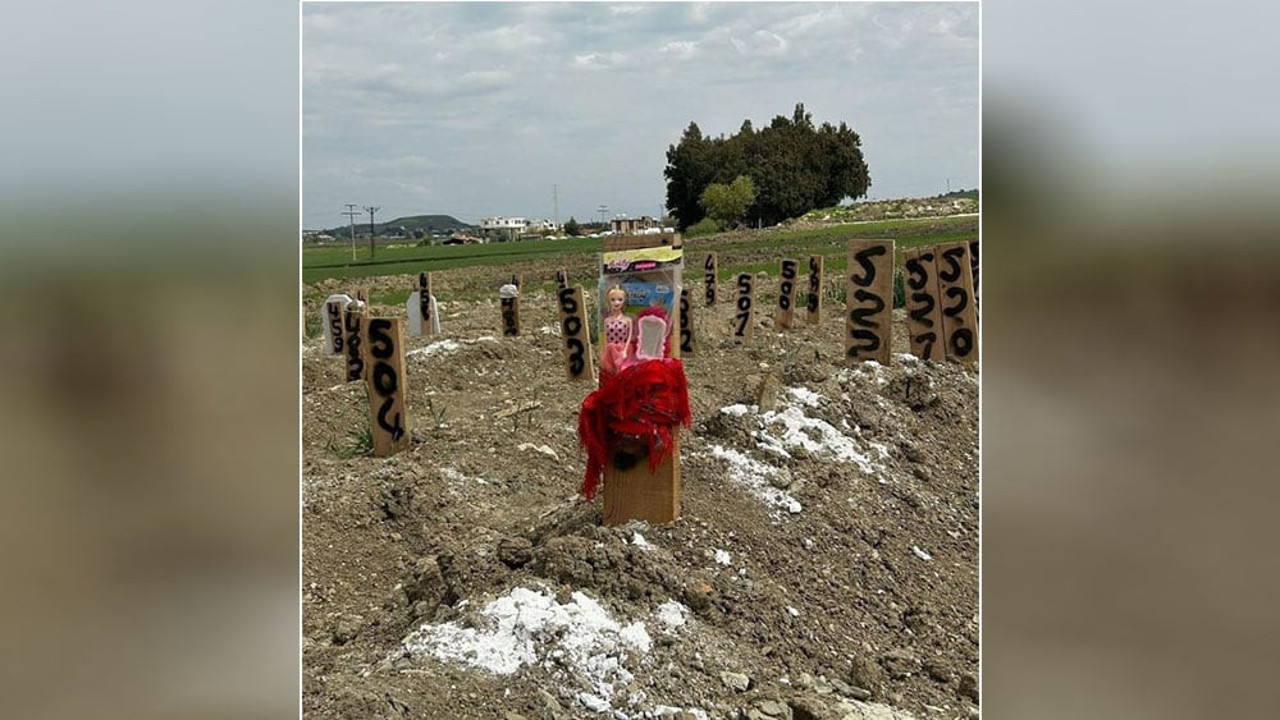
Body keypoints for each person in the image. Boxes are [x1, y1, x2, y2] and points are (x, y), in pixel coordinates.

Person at [601, 284, 633, 374]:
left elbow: (629, 337)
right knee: (610, 371)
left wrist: (625, 350)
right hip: (610, 350)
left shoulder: (627, 320)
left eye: (620, 300)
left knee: (622, 370)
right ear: (609, 301)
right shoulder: (607, 320)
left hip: (622, 349)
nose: (616, 303)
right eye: (613, 300)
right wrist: (604, 351)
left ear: (624, 301)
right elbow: (605, 337)